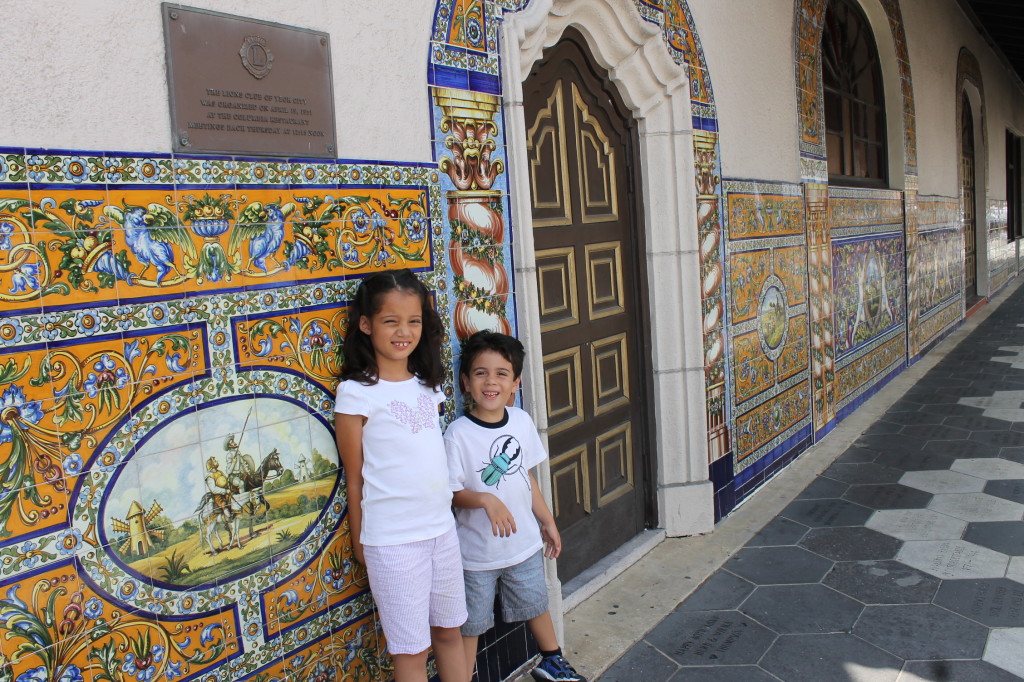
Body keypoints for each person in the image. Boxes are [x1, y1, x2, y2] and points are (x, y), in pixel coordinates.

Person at [334, 269, 468, 682]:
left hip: (442, 532)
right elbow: (354, 478)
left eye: (413, 321)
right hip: (392, 542)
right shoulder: (356, 393)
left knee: (450, 632)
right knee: (412, 651)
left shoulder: (427, 385)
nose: (403, 332)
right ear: (366, 324)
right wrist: (361, 542)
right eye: (391, 321)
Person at [444, 331, 585, 682]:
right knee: (471, 624)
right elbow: (450, 492)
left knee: (536, 603)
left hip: (522, 545)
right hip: (476, 554)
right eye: (480, 373)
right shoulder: (458, 434)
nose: (491, 382)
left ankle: (552, 662)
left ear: (515, 383)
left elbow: (527, 478)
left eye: (501, 374)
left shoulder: (521, 422)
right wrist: (485, 500)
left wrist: (547, 522)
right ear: (466, 382)